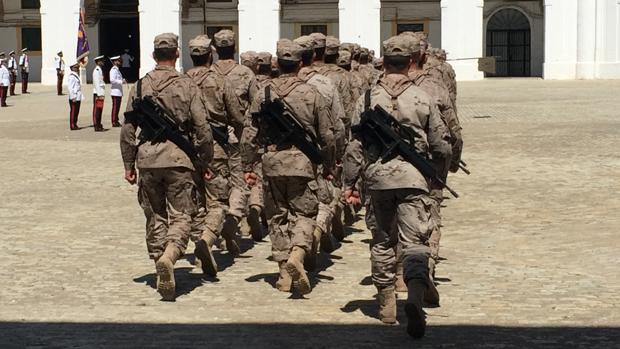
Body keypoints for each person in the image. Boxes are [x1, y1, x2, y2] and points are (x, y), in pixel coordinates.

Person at [343, 35, 452, 338]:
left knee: (381, 240)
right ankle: (414, 297)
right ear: (410, 61)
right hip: (414, 178)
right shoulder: (422, 97)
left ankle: (386, 301)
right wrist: (437, 176)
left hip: (377, 179)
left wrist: (350, 183)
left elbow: (354, 147)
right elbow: (441, 145)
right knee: (416, 243)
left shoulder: (367, 98)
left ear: (384, 61)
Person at [120, 33, 213, 301]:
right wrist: (204, 161)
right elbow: (203, 128)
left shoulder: (139, 87)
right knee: (183, 215)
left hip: (147, 159)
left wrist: (129, 164)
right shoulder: (187, 85)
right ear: (176, 55)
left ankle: (159, 259)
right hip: (179, 158)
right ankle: (171, 256)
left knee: (155, 215)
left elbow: (127, 129)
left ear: (152, 56)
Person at [242, 39, 335, 295]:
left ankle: (284, 272)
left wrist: (247, 165)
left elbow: (250, 133)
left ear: (277, 64)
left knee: (277, 216)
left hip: (272, 163)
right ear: (301, 63)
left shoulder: (263, 94)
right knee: (304, 214)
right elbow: (327, 135)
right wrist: (328, 164)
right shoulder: (312, 93)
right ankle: (297, 253)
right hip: (303, 163)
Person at [185, 34, 246, 274]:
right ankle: (207, 239)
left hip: (187, 150)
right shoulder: (219, 81)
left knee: (194, 201)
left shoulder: (181, 81)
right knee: (217, 201)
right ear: (210, 55)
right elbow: (237, 115)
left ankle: (200, 241)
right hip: (216, 149)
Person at [211, 29, 260, 250]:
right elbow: (257, 106)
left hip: (211, 139)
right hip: (238, 137)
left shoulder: (207, 74)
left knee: (215, 184)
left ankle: (215, 224)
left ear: (214, 50)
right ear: (235, 48)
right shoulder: (246, 73)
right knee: (239, 183)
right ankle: (232, 218)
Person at [109, 55, 124, 127]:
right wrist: (121, 81)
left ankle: (116, 120)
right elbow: (112, 80)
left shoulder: (117, 69)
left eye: (119, 60)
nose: (119, 62)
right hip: (115, 92)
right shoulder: (113, 70)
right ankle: (114, 122)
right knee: (115, 107)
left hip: (118, 92)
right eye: (118, 60)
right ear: (114, 62)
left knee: (117, 107)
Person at [92, 55, 106, 131]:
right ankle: (96, 125)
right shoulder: (96, 71)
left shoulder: (99, 70)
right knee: (97, 110)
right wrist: (99, 94)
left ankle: (99, 124)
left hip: (101, 93)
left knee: (100, 110)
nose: (103, 62)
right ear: (98, 62)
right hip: (98, 94)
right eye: (101, 61)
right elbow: (97, 83)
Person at [67, 62, 82, 130]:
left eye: (78, 67)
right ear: (72, 68)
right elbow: (70, 88)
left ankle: (75, 124)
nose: (77, 69)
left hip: (78, 96)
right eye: (76, 68)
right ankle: (72, 125)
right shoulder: (72, 76)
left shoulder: (76, 75)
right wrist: (73, 97)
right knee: (73, 111)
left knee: (76, 111)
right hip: (74, 97)